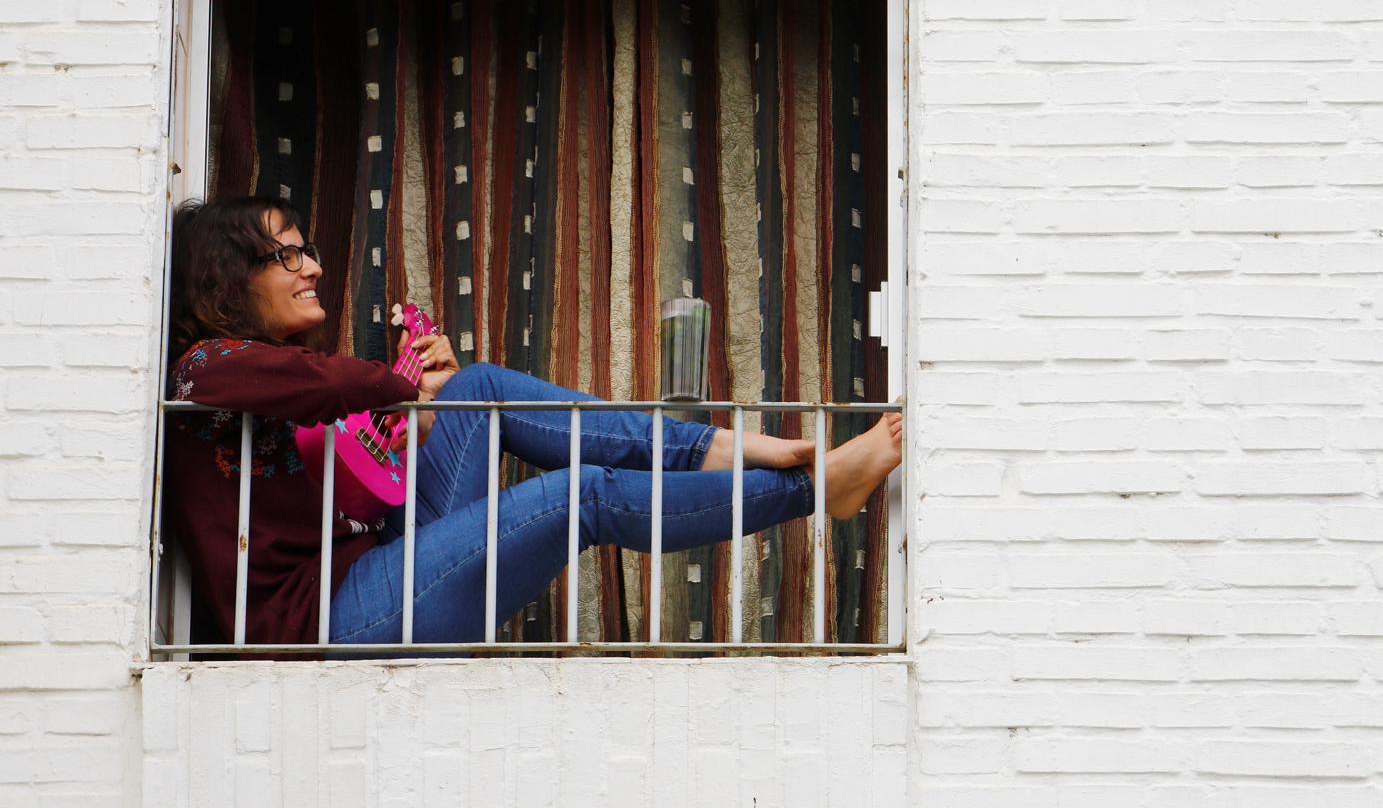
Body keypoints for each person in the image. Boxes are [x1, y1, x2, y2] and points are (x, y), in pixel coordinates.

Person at [164, 195, 903, 646]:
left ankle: (719, 442)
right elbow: (328, 384)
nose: (311, 266)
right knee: (578, 493)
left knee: (480, 385)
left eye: (307, 249)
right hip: (326, 621)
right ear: (230, 275)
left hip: (379, 570)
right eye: (286, 252)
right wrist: (392, 385)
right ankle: (815, 488)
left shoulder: (270, 390)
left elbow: (371, 489)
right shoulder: (205, 368)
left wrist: (421, 416)